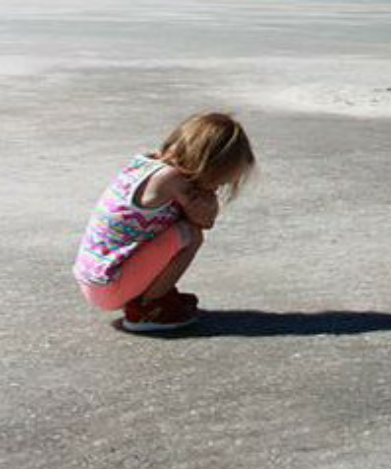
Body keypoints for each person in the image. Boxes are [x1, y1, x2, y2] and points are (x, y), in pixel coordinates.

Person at [73, 111, 255, 332]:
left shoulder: (147, 165)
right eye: (220, 181)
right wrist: (209, 202)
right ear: (209, 166)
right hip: (110, 285)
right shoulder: (172, 180)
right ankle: (147, 308)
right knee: (190, 235)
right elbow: (204, 220)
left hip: (96, 279)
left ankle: (154, 294)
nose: (217, 188)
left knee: (174, 229)